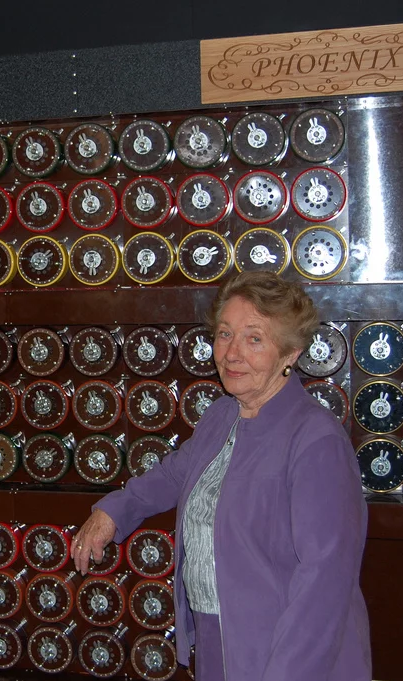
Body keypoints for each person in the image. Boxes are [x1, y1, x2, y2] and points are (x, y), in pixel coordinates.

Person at [72, 272, 370, 681]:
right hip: (218, 636)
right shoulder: (222, 415)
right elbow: (175, 474)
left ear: (290, 353)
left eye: (254, 339)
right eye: (225, 334)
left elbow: (325, 585)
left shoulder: (316, 440)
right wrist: (112, 513)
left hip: (288, 652)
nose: (231, 353)